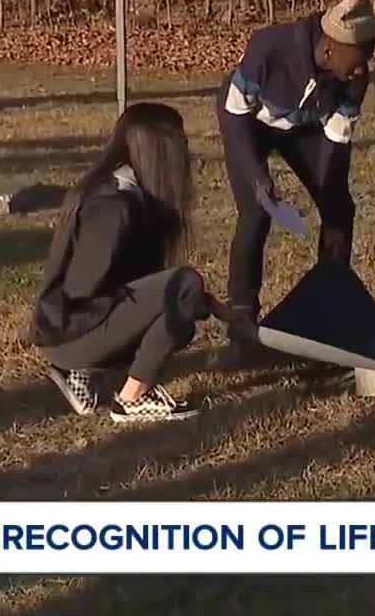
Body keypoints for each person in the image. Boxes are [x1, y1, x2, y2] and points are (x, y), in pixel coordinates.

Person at [29, 102, 253, 422]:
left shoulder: (131, 193)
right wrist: (139, 312)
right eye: (181, 141)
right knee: (183, 286)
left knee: (181, 320)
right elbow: (81, 291)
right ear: (160, 150)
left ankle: (87, 374)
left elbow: (139, 282)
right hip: (68, 333)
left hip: (74, 329)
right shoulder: (113, 206)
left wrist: (213, 307)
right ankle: (131, 399)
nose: (187, 151)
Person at [214, 0, 375, 364]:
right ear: (330, 50)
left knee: (339, 207)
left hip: (303, 129)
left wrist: (332, 196)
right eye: (355, 62)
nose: (359, 71)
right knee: (256, 212)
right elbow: (235, 114)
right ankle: (242, 321)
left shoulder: (356, 78)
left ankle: (329, 307)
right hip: (249, 124)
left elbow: (337, 144)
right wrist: (258, 175)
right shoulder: (269, 48)